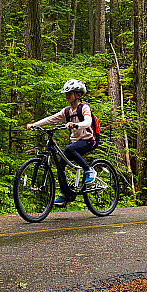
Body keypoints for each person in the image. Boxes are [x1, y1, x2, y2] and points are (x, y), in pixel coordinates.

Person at [26, 79, 98, 207]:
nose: (67, 96)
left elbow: (88, 122)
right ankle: (65, 194)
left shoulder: (84, 108)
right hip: (75, 143)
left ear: (78, 94)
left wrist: (75, 125)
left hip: (88, 141)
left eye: (69, 93)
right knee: (60, 164)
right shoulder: (66, 111)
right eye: (66, 94)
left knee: (69, 149)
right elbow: (51, 119)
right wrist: (35, 125)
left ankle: (89, 170)